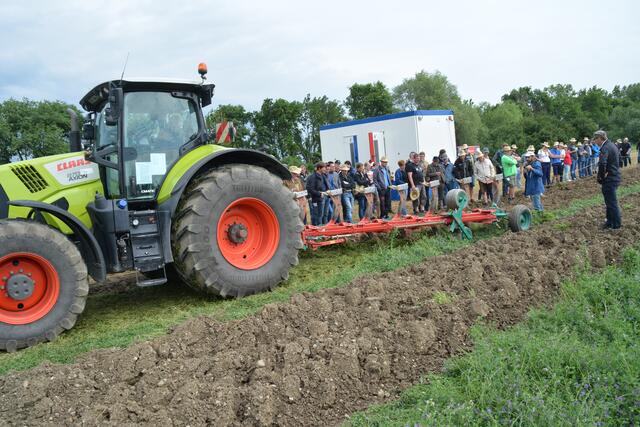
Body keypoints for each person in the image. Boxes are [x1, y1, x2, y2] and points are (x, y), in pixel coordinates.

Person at [593, 130, 622, 229]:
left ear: (600, 138)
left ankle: (616, 224)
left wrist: (601, 176)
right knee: (609, 202)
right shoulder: (613, 145)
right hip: (615, 176)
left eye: (595, 139)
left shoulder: (605, 148)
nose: (595, 141)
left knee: (611, 202)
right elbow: (619, 159)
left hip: (610, 178)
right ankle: (609, 222)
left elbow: (602, 163)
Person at [305, 162, 328, 226]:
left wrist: (327, 191)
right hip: (315, 199)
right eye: (324, 168)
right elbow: (310, 189)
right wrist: (319, 194)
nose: (325, 169)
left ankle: (319, 228)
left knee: (321, 214)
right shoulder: (312, 177)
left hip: (322, 198)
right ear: (319, 168)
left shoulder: (323, 176)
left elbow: (325, 186)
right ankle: (316, 228)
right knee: (316, 214)